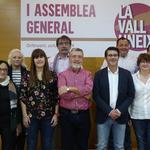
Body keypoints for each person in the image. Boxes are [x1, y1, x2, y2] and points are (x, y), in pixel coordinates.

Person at [93, 47, 135, 150]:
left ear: (118, 57)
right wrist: (109, 111)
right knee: (102, 146)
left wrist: (119, 110)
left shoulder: (126, 74)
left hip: (120, 116)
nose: (112, 57)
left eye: (115, 55)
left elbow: (131, 95)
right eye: (110, 55)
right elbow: (96, 95)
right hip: (104, 115)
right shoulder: (99, 74)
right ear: (106, 58)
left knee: (119, 146)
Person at [19, 48, 59, 150]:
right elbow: (23, 96)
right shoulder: (26, 75)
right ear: (33, 60)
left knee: (47, 145)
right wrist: (24, 116)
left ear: (45, 59)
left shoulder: (52, 75)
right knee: (31, 145)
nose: (39, 59)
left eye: (41, 57)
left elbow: (56, 96)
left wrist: (56, 114)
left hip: (48, 117)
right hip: (31, 117)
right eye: (36, 57)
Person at [58, 48, 93, 150]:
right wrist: (82, 94)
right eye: (74, 56)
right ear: (69, 58)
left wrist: (70, 89)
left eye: (79, 56)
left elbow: (89, 89)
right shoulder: (62, 75)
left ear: (83, 59)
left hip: (83, 115)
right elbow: (63, 95)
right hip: (66, 115)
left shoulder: (88, 74)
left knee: (82, 144)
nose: (77, 59)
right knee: (67, 145)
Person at [129, 53, 150, 150]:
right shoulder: (132, 78)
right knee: (140, 141)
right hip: (137, 115)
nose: (145, 64)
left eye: (147, 62)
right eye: (142, 62)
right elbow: (129, 97)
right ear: (139, 64)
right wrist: (128, 114)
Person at [8, 48, 27, 150]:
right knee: (11, 137)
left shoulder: (26, 72)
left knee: (21, 135)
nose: (17, 59)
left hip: (23, 107)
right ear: (10, 58)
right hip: (9, 108)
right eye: (14, 57)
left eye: (19, 57)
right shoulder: (5, 71)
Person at [0, 60, 19, 150]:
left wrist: (17, 123)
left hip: (8, 123)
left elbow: (17, 105)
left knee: (8, 147)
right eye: (0, 69)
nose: (2, 72)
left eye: (5, 69)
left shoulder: (12, 85)